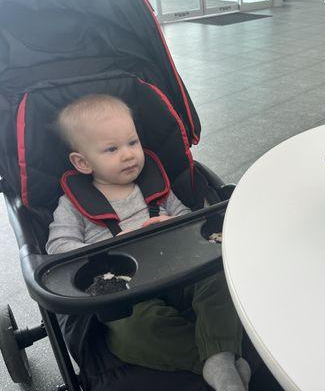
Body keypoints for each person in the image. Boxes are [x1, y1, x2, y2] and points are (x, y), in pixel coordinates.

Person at [46, 94, 251, 391]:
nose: (129, 154)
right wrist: (110, 249)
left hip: (179, 270)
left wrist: (172, 224)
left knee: (220, 278)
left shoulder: (156, 185)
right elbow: (59, 250)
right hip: (126, 297)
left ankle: (218, 355)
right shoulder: (73, 205)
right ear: (83, 162)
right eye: (112, 149)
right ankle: (213, 358)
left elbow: (187, 218)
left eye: (133, 142)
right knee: (132, 333)